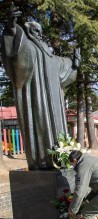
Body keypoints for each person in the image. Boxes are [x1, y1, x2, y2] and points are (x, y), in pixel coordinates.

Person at [1, 6, 80, 170]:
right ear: (29, 31)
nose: (39, 33)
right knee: (40, 129)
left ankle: (61, 158)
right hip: (37, 99)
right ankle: (42, 161)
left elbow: (65, 74)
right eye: (35, 30)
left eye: (40, 30)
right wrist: (11, 28)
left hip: (56, 106)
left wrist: (75, 64)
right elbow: (16, 54)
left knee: (58, 132)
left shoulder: (52, 57)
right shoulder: (29, 47)